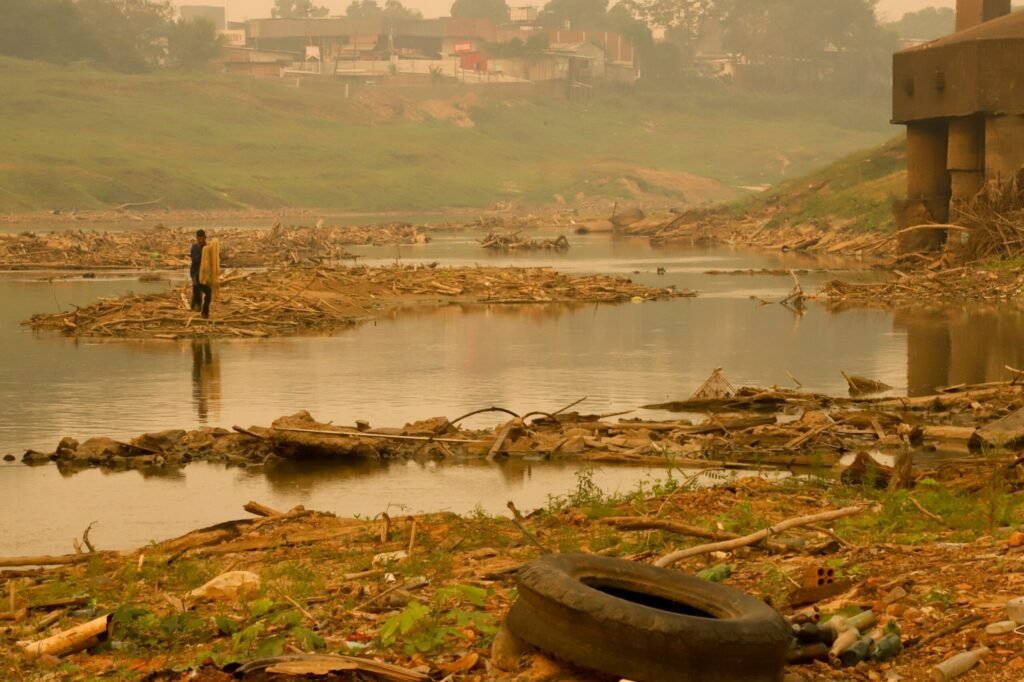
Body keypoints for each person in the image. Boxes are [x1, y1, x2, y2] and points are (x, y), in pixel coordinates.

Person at [190, 230, 207, 313]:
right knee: (196, 288)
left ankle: (195, 304)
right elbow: (195, 260)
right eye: (199, 239)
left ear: (205, 238)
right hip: (195, 271)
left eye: (202, 239)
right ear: (197, 238)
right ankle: (197, 305)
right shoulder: (195, 247)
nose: (201, 241)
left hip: (204, 272)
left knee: (201, 288)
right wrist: (203, 252)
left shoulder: (207, 246)